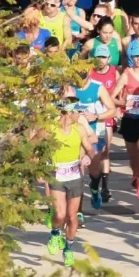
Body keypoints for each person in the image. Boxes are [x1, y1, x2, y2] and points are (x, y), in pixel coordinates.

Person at [43, 89, 98, 267]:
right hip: (56, 174)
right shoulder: (50, 129)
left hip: (75, 175)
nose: (79, 114)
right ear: (68, 112)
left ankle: (68, 249)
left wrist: (88, 155)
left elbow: (91, 148)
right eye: (77, 111)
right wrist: (38, 168)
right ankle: (54, 233)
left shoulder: (80, 128)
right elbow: (34, 146)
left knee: (72, 216)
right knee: (60, 214)